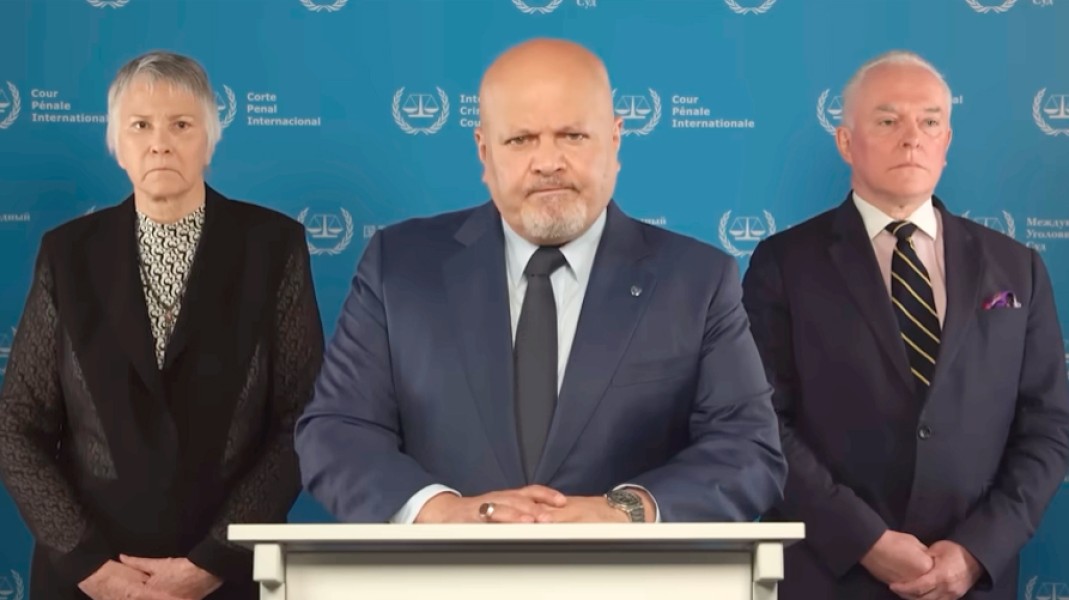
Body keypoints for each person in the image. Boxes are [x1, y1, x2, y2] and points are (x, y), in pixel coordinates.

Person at [295, 37, 786, 525]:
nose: (548, 161)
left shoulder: (697, 280)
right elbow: (337, 431)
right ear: (484, 151)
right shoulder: (398, 267)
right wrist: (439, 512)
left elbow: (747, 449)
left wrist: (625, 511)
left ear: (615, 140)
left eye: (572, 135)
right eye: (520, 139)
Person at [742, 50, 1069, 600]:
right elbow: (761, 421)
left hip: (974, 584)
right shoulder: (783, 264)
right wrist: (865, 540)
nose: (911, 137)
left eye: (930, 122)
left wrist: (975, 551)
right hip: (830, 576)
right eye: (888, 121)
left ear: (947, 140)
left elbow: (1048, 430)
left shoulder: (1018, 268)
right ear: (846, 142)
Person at [0, 50, 324, 600]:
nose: (160, 142)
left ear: (210, 136)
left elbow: (300, 420)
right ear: (116, 142)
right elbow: (16, 427)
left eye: (180, 124)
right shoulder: (67, 255)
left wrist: (212, 561)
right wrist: (94, 568)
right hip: (85, 579)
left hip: (229, 578)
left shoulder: (273, 248)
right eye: (141, 125)